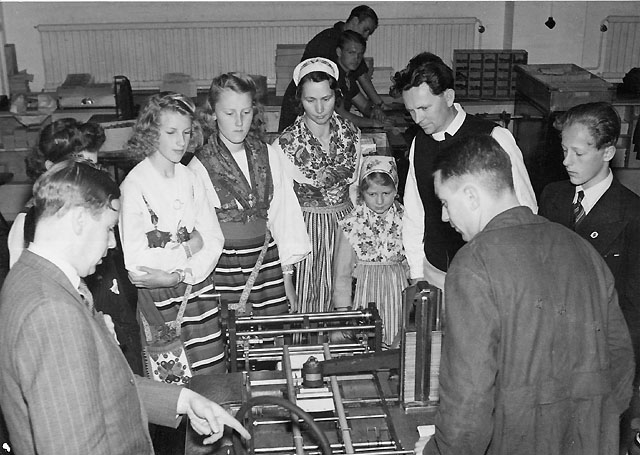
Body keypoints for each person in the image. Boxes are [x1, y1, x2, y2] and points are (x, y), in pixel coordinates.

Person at [0, 160, 250, 455]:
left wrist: (185, 400)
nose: (111, 244)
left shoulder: (32, 277)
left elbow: (103, 385)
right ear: (79, 220)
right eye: (108, 229)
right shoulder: (51, 311)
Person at [414, 135, 634, 455]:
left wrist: (436, 451)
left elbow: (468, 402)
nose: (445, 217)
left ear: (471, 195)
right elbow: (621, 363)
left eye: (445, 203)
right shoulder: (581, 248)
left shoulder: (475, 263)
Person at [538, 101, 640, 454]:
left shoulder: (632, 214)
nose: (567, 161)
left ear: (608, 152)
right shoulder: (553, 196)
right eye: (564, 150)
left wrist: (624, 376)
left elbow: (635, 308)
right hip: (548, 352)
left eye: (579, 153)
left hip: (600, 361)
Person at [6, 118, 143, 375]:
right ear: (53, 171)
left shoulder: (98, 217)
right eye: (83, 168)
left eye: (96, 167)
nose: (94, 178)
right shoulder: (29, 226)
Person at [389, 55, 537, 290]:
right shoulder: (419, 142)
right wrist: (417, 272)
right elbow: (415, 211)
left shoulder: (495, 137)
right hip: (435, 271)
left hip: (488, 275)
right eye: (411, 111)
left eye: (424, 108)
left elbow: (526, 209)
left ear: (448, 97)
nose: (418, 119)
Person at [119, 92, 226, 374]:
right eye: (171, 132)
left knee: (211, 377)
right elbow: (137, 263)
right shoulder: (135, 185)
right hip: (159, 300)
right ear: (152, 132)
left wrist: (180, 274)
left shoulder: (191, 178)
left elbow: (213, 240)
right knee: (172, 379)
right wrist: (189, 249)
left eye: (186, 132)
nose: (181, 141)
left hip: (197, 289)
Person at [189, 73, 310, 317]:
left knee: (271, 336)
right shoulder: (198, 167)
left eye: (245, 112)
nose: (239, 122)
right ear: (213, 113)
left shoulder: (267, 154)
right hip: (224, 270)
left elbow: (282, 216)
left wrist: (287, 277)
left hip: (267, 264)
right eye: (229, 113)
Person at [272, 57, 362, 314]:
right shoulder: (285, 145)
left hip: (346, 227)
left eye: (326, 98)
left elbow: (355, 188)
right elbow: (280, 210)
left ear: (336, 96)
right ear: (299, 100)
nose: (320, 108)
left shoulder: (351, 134)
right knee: (310, 302)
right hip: (306, 232)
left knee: (345, 298)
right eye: (311, 100)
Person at [332, 155, 408, 345]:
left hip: (397, 293)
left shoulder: (406, 219)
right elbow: (342, 274)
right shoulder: (351, 223)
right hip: (364, 294)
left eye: (386, 193)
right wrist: (344, 314)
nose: (380, 201)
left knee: (396, 344)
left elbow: (412, 263)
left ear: (396, 190)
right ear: (361, 193)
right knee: (367, 342)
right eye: (372, 194)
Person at [278, 5, 387, 131]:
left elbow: (362, 103)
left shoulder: (346, 75)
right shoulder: (328, 46)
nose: (356, 58)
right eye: (365, 30)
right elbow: (341, 114)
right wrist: (373, 121)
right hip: (299, 121)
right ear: (339, 52)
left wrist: (375, 109)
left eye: (360, 54)